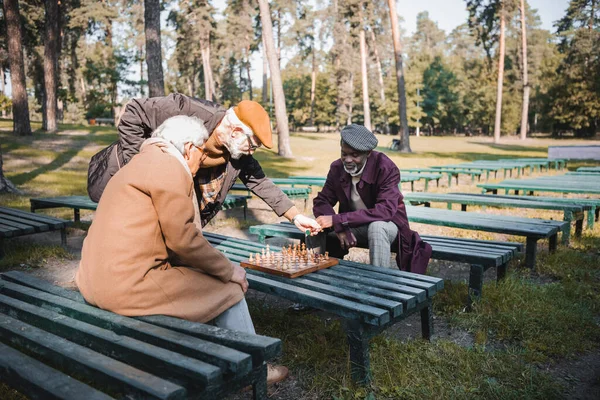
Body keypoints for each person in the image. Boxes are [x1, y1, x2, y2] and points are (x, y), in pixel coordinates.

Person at [76, 116, 289, 384]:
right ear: (189, 148)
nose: (201, 162)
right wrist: (228, 270)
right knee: (230, 289)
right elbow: (183, 238)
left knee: (197, 279)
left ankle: (213, 355)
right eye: (201, 154)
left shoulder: (139, 163)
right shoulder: (170, 167)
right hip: (125, 287)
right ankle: (254, 372)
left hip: (91, 280)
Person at [87, 93, 320, 234]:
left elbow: (259, 181)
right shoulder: (187, 110)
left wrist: (294, 215)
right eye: (253, 144)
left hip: (176, 198)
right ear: (236, 130)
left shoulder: (237, 150)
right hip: (126, 180)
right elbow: (134, 112)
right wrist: (139, 166)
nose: (252, 151)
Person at [312, 124, 432, 274]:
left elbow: (385, 211)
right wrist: (339, 226)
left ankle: (380, 285)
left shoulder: (385, 167)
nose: (347, 160)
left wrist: (339, 220)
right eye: (344, 154)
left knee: (377, 226)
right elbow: (321, 201)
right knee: (314, 226)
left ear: (368, 152)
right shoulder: (337, 168)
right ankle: (318, 278)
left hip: (389, 227)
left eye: (354, 155)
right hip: (353, 225)